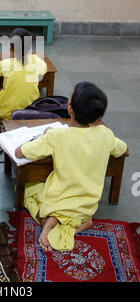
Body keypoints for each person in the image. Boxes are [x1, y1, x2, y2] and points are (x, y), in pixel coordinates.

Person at [15, 81, 128, 253]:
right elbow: (124, 150)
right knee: (69, 208)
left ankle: (50, 221)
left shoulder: (58, 135)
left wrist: (46, 136)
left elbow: (20, 153)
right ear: (99, 118)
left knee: (28, 190)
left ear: (70, 109)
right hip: (88, 205)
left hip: (58, 201)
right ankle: (77, 224)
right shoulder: (106, 134)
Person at [0, 28, 47, 119]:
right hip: (30, 109)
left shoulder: (6, 64)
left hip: (7, 112)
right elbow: (44, 68)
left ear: (10, 47)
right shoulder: (36, 60)